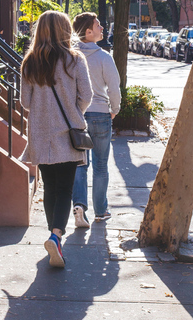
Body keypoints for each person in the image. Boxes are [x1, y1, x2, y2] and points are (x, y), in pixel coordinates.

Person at [19, 11, 93, 267]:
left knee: (50, 188)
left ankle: (54, 237)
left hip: (40, 133)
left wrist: (43, 108)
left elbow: (25, 102)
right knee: (66, 189)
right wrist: (73, 112)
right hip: (67, 132)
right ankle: (56, 236)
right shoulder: (74, 59)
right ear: (65, 30)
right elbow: (87, 95)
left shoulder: (30, 62)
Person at [71, 12, 121, 227]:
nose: (102, 27)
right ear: (88, 32)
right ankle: (101, 211)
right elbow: (114, 88)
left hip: (77, 114)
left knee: (80, 164)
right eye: (98, 25)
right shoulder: (104, 57)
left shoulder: (70, 57)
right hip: (101, 114)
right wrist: (115, 109)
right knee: (101, 165)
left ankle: (79, 206)